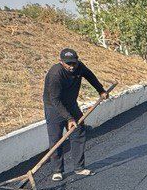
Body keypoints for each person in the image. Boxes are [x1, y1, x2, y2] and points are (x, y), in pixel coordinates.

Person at [42, 48, 108, 181]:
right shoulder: (55, 74)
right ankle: (57, 170)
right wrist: (69, 118)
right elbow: (55, 100)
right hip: (54, 107)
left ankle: (79, 167)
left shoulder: (79, 66)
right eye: (68, 64)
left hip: (71, 104)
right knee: (56, 138)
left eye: (74, 63)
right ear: (61, 62)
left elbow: (90, 76)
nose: (71, 66)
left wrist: (100, 90)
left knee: (78, 132)